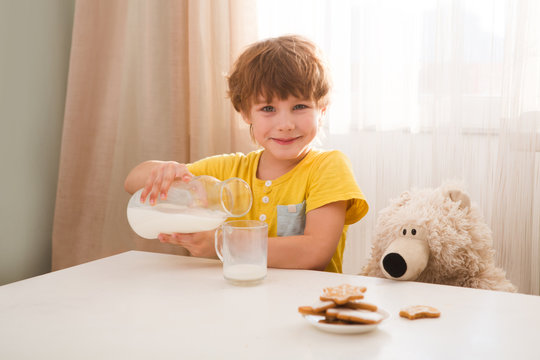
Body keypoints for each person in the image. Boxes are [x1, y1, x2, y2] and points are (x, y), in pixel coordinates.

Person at [124, 35, 368, 273]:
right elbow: (132, 182)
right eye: (268, 108)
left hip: (308, 304)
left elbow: (314, 252)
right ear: (245, 113)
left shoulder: (328, 167)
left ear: (322, 111)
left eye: (300, 107)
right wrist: (168, 170)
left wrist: (223, 244)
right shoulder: (228, 169)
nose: (286, 124)